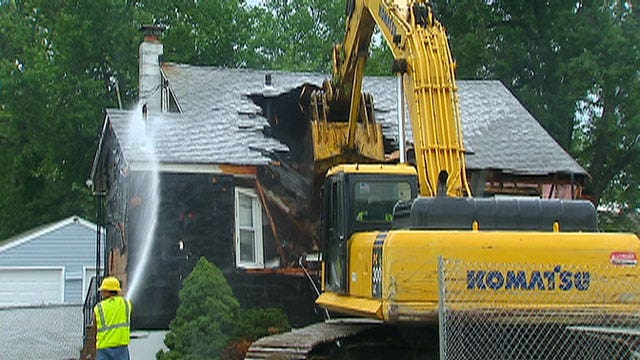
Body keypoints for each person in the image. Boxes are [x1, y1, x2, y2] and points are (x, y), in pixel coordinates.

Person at [94, 276, 132, 360]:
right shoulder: (126, 304)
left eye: (103, 291)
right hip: (121, 348)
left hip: (104, 349)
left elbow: (95, 329)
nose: (101, 293)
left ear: (108, 291)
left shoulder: (99, 307)